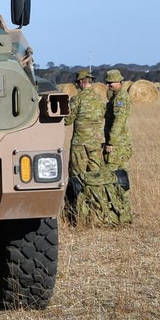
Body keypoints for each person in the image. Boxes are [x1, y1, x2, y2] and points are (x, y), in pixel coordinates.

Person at [64, 68, 105, 224]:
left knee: (78, 178)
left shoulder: (77, 99)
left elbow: (67, 120)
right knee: (95, 177)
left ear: (81, 82)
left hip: (80, 144)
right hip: (96, 143)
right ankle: (97, 213)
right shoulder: (100, 99)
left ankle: (79, 216)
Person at [102, 69, 133, 225]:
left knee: (114, 177)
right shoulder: (116, 97)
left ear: (120, 82)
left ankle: (121, 213)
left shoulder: (121, 98)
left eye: (112, 83)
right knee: (119, 177)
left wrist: (111, 142)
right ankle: (123, 213)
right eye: (107, 83)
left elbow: (118, 122)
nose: (109, 86)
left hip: (118, 145)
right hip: (119, 144)